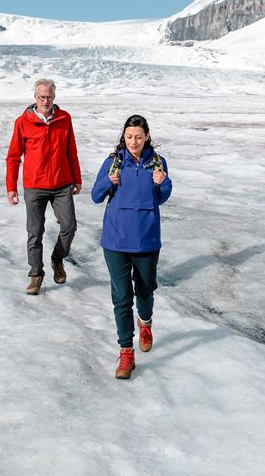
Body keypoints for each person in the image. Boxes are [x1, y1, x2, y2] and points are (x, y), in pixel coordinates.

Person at [91, 115, 172, 379]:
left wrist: (164, 183)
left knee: (145, 289)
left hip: (146, 238)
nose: (133, 141)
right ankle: (126, 351)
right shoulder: (113, 163)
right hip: (115, 240)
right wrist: (108, 181)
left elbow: (160, 198)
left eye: (138, 136)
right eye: (129, 137)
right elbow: (95, 196)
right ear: (123, 137)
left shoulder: (157, 163)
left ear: (147, 136)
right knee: (122, 297)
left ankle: (145, 322)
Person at [6, 78, 82, 295]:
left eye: (49, 96)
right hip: (35, 186)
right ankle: (36, 275)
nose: (45, 100)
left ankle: (57, 259)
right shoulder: (23, 122)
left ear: (54, 97)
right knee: (35, 232)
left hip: (62, 184)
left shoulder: (64, 119)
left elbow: (71, 152)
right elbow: (13, 157)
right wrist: (11, 187)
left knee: (69, 226)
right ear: (35, 97)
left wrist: (77, 179)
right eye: (41, 97)